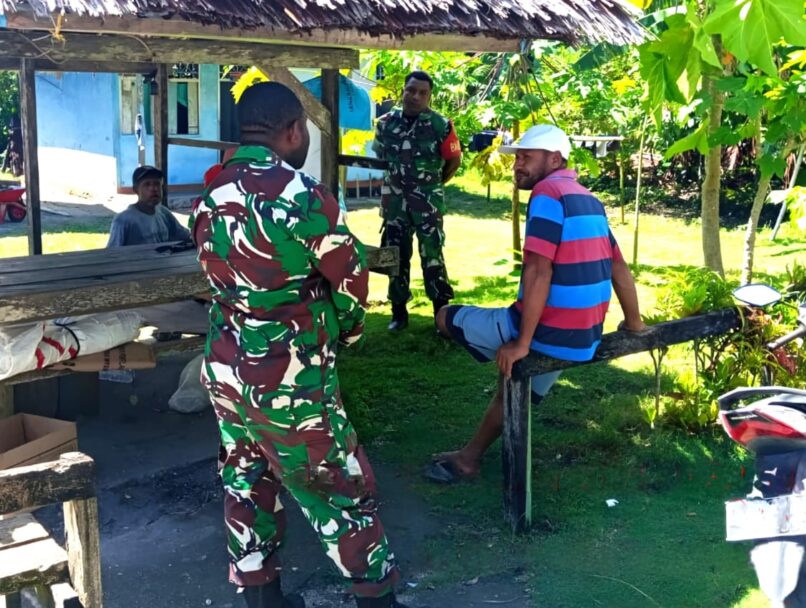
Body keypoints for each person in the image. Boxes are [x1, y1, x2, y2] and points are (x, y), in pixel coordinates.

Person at [191, 82, 412, 608]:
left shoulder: (210, 193)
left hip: (225, 368)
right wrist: (343, 332)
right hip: (290, 379)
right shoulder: (301, 194)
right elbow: (352, 281)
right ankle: (377, 599)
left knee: (245, 480)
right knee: (337, 487)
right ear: (291, 131)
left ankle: (263, 601)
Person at [427, 125, 646, 483]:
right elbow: (619, 265)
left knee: (445, 317)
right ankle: (469, 458)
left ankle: (504, 356)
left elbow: (538, 270)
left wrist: (522, 343)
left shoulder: (547, 194)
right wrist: (634, 323)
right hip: (582, 337)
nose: (518, 165)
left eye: (527, 157)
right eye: (518, 158)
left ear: (555, 159)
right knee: (513, 384)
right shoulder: (589, 199)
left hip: (546, 332)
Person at [373, 70, 462, 331]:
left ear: (429, 96)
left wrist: (430, 186)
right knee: (394, 256)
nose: (416, 96)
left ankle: (440, 313)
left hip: (427, 203)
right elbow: (380, 156)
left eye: (423, 93)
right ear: (403, 90)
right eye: (411, 90)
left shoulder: (441, 125)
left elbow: (453, 160)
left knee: (432, 254)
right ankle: (398, 312)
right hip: (395, 203)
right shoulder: (385, 123)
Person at [107, 165, 190, 247]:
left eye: (157, 184)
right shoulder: (123, 221)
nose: (154, 189)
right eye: (147, 184)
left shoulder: (164, 213)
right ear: (136, 190)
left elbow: (185, 236)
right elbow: (111, 254)